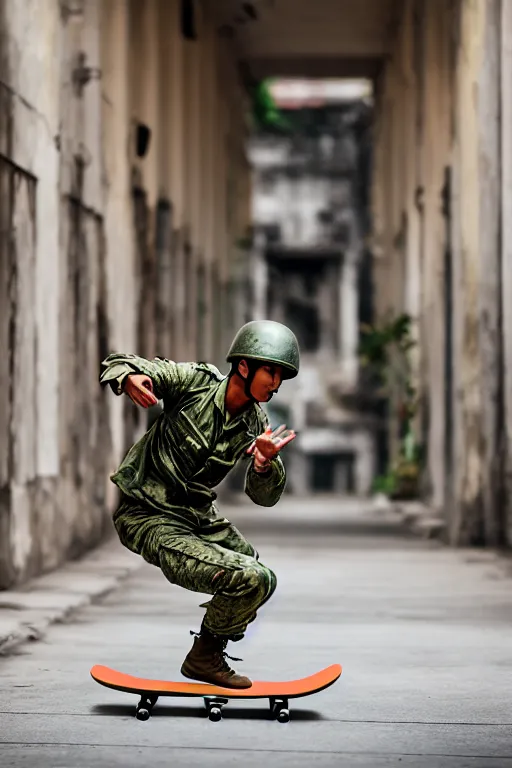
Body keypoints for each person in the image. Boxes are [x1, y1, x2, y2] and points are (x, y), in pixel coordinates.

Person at [99, 320, 300, 689]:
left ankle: (206, 653)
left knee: (259, 576)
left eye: (281, 376)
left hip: (197, 519)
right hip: (147, 515)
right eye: (270, 371)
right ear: (244, 366)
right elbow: (125, 363)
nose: (275, 383)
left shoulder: (256, 423)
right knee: (249, 577)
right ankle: (205, 658)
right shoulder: (195, 384)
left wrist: (264, 464)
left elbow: (264, 497)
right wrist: (129, 378)